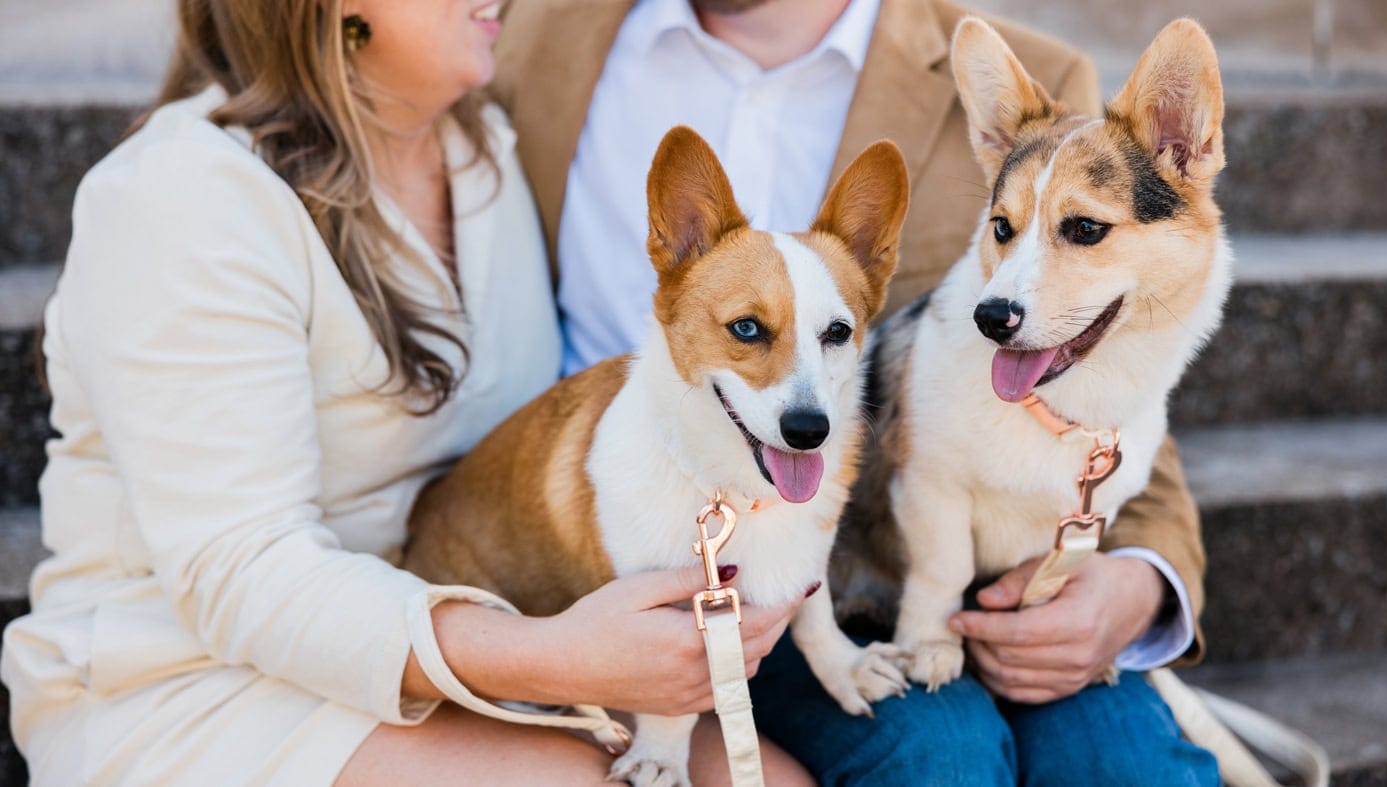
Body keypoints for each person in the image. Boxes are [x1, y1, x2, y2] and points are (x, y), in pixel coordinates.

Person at [0, 0, 815, 784]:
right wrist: (552, 653)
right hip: (197, 682)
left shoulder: (483, 148)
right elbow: (243, 571)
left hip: (458, 633)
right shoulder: (181, 194)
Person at [489, 0, 1220, 783]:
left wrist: (1141, 585)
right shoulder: (521, 36)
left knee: (1130, 763)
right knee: (938, 753)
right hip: (657, 548)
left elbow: (1121, 385)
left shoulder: (1032, 89)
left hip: (990, 568)